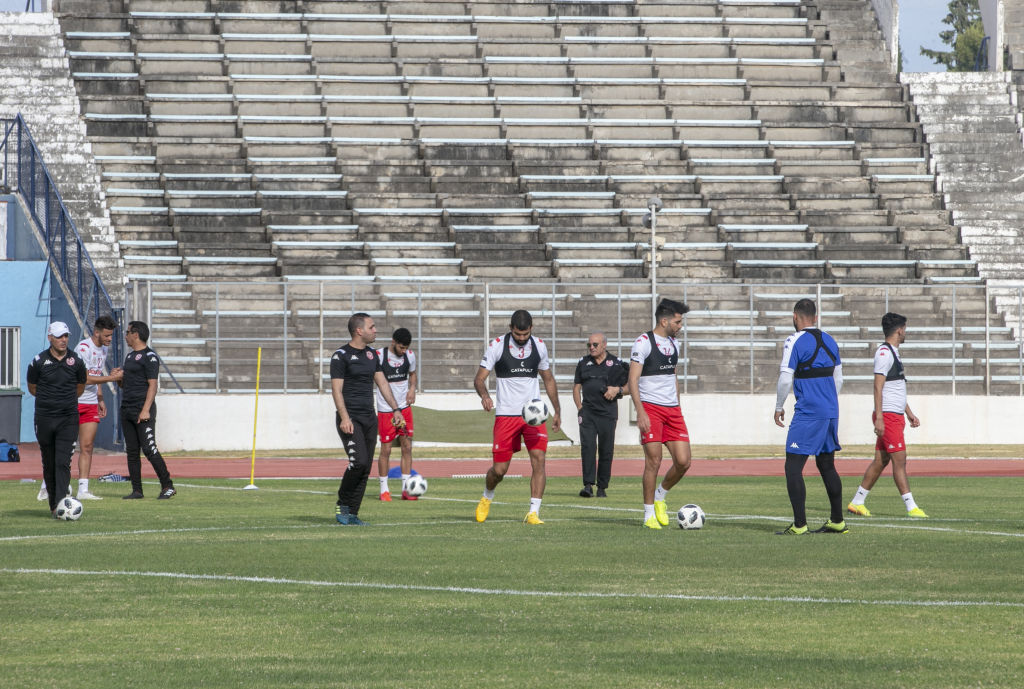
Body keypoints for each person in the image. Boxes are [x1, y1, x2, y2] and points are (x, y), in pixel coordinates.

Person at [473, 309, 561, 525]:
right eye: (517, 335)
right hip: (506, 416)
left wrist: (557, 410)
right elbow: (479, 379)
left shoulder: (539, 345)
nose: (522, 339)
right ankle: (487, 495)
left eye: (525, 334)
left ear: (531, 329)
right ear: (511, 329)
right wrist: (485, 396)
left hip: (533, 415)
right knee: (500, 470)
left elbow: (548, 379)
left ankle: (533, 512)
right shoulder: (497, 346)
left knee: (539, 460)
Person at [773, 298, 847, 535]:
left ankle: (799, 525)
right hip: (830, 410)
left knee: (793, 466)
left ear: (795, 317)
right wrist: (829, 402)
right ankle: (837, 521)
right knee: (826, 464)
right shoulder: (830, 340)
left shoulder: (794, 340)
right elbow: (839, 380)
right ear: (815, 317)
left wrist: (778, 406)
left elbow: (786, 378)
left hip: (809, 412)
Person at [848, 313, 928, 518]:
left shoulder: (893, 352)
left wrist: (909, 413)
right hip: (889, 416)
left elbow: (895, 388)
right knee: (900, 460)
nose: (905, 333)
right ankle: (912, 507)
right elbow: (878, 386)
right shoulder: (884, 353)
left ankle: (857, 502)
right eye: (905, 329)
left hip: (895, 415)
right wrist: (880, 417)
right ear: (899, 330)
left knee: (881, 461)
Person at [331, 313, 406, 525]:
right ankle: (342, 504)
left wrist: (396, 409)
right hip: (350, 417)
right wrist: (344, 418)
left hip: (369, 418)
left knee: (365, 468)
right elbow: (336, 391)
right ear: (359, 330)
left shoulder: (373, 356)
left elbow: (383, 385)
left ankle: (352, 513)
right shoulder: (341, 356)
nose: (375, 330)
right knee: (358, 462)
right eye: (372, 327)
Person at [627, 298, 693, 530]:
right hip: (651, 408)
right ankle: (648, 516)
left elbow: (672, 376)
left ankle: (660, 496)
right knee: (653, 461)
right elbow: (633, 379)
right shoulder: (643, 342)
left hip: (672, 410)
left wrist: (678, 404)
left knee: (684, 462)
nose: (680, 326)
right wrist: (641, 411)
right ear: (664, 321)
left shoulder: (675, 344)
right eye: (677, 321)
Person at [26, 321, 87, 517]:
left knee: (62, 462)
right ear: (50, 337)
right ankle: (54, 505)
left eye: (66, 336)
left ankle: (62, 503)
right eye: (59, 336)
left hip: (68, 418)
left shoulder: (76, 360)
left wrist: (64, 402)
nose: (63, 340)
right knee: (49, 462)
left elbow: (80, 387)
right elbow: (32, 388)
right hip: (44, 417)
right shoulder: (38, 361)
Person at [119, 321, 176, 500]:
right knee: (132, 452)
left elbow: (153, 385)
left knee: (150, 449)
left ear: (136, 334)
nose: (126, 335)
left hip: (141, 409)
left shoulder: (150, 356)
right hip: (127, 408)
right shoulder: (129, 357)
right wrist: (118, 378)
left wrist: (145, 410)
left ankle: (168, 485)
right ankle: (137, 490)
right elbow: (126, 384)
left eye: (127, 332)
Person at [73, 314, 122, 500]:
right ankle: (50, 484)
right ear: (96, 332)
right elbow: (84, 378)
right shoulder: (83, 348)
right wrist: (111, 378)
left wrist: (100, 397)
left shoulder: (103, 349)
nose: (110, 339)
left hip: (91, 402)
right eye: (107, 336)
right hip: (74, 401)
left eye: (111, 336)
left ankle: (83, 489)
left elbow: (97, 372)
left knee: (87, 446)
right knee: (66, 447)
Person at [572, 332, 627, 498]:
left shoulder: (617, 364)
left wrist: (618, 390)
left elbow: (632, 383)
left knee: (606, 450)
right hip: (588, 412)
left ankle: (602, 487)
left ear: (604, 345)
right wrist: (580, 407)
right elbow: (576, 387)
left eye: (595, 345)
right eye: (589, 345)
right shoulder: (583, 363)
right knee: (588, 447)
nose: (591, 348)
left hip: (607, 413)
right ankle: (588, 485)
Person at [375, 327, 418, 501]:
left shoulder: (410, 355)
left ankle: (406, 490)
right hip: (386, 411)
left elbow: (413, 374)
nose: (403, 351)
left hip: (405, 409)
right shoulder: (379, 356)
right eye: (401, 347)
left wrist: (412, 389)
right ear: (393, 342)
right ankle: (384, 489)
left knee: (407, 448)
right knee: (386, 450)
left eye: (406, 348)